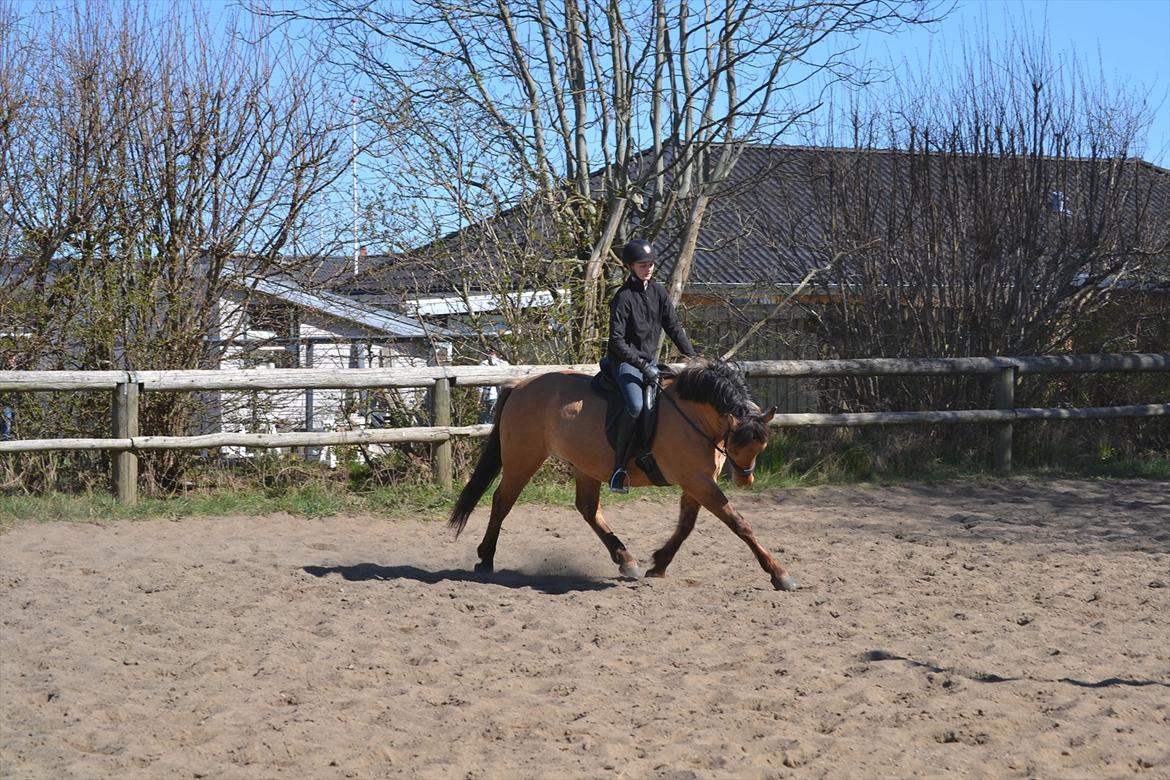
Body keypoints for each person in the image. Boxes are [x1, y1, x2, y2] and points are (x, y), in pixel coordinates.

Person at [606, 238, 697, 492]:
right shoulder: (623, 298)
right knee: (636, 406)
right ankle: (619, 468)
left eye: (651, 264)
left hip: (649, 362)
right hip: (625, 362)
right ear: (630, 267)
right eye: (642, 265)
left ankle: (651, 453)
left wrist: (693, 357)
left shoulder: (658, 292)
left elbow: (673, 326)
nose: (648, 269)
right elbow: (616, 341)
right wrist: (641, 365)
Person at [478, 348, 510, 423]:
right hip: (493, 396)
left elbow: (479, 385)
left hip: (493, 396)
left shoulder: (485, 364)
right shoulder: (503, 364)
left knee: (487, 419)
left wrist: (478, 399)